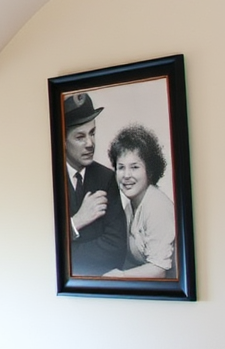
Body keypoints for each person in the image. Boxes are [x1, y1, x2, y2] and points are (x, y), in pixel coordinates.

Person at [63, 91, 127, 276]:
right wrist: (75, 223)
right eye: (80, 137)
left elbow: (115, 248)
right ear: (63, 141)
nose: (90, 143)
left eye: (92, 133)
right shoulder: (46, 182)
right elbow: (40, 246)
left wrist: (67, 254)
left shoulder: (106, 178)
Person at [103, 124, 175, 279]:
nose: (126, 175)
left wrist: (119, 276)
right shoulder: (131, 205)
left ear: (149, 171)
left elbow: (159, 269)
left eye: (134, 167)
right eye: (121, 167)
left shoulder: (157, 206)